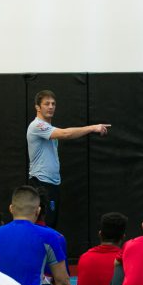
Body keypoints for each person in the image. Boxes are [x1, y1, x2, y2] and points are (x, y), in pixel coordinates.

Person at [27, 90, 110, 228]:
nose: (51, 106)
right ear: (37, 107)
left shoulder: (49, 128)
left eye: (53, 104)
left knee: (50, 225)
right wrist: (93, 127)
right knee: (43, 226)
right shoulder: (37, 126)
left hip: (52, 183)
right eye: (46, 104)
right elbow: (66, 133)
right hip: (41, 182)